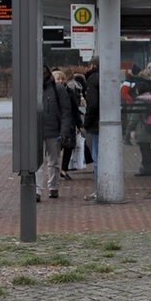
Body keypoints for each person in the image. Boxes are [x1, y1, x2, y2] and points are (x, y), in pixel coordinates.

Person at [39, 65, 73, 201]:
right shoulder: (33, 89)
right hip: (38, 132)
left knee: (53, 162)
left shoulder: (58, 90)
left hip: (54, 132)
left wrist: (64, 132)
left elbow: (66, 112)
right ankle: (37, 190)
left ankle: (53, 187)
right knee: (38, 163)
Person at [56, 69, 84, 177]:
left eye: (62, 79)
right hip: (55, 124)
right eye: (58, 79)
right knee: (55, 149)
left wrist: (79, 124)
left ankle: (63, 169)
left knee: (68, 146)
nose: (60, 81)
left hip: (69, 123)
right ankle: (56, 169)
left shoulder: (69, 92)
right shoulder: (50, 92)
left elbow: (75, 109)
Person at [82, 58, 101, 200]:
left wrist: (86, 123)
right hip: (107, 122)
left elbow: (92, 104)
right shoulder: (108, 76)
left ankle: (99, 188)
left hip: (95, 124)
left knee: (97, 157)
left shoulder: (93, 79)